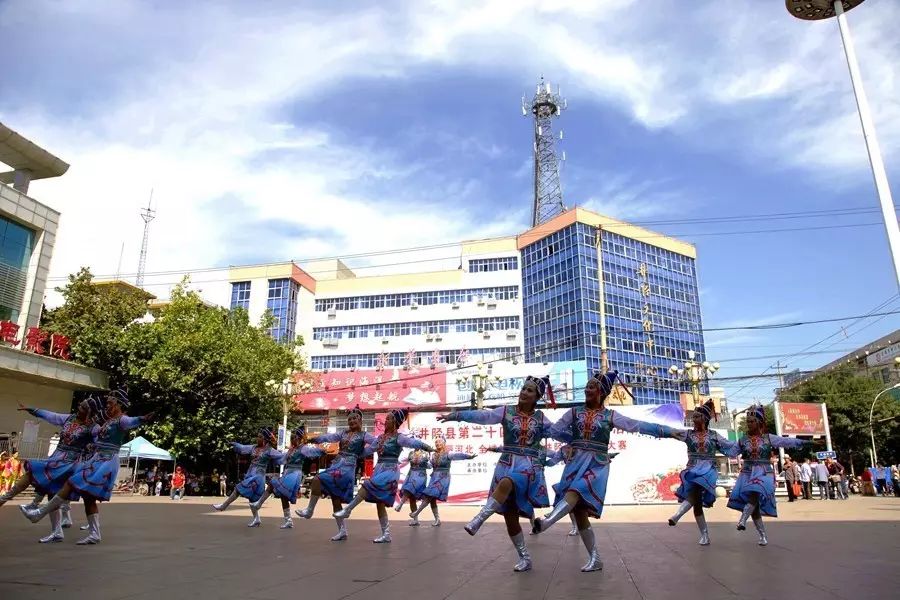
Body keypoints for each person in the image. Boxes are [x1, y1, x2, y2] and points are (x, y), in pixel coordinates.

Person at [532, 371, 685, 572]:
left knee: (575, 492)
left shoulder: (610, 416)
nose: (587, 389)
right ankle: (596, 559)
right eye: (587, 386)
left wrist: (667, 431)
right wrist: (569, 442)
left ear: (602, 392)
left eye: (592, 387)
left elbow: (637, 425)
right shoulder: (574, 412)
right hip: (575, 462)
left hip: (597, 463)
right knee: (579, 513)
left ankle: (547, 522)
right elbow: (553, 431)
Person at [438, 375, 557, 572]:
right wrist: (456, 416)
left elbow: (560, 432)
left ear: (537, 397)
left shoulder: (541, 419)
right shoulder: (506, 412)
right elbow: (483, 416)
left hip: (528, 467)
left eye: (529, 390)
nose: (524, 392)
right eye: (523, 388)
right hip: (506, 463)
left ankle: (479, 518)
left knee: (508, 482)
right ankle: (525, 558)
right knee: (510, 518)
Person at [21, 389, 154, 545]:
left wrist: (143, 419)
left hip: (106, 461)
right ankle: (94, 533)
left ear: (119, 405)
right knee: (88, 499)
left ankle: (39, 513)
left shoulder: (121, 420)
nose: (108, 406)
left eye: (111, 403)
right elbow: (57, 418)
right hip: (97, 459)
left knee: (71, 483)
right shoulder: (108, 420)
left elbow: (133, 421)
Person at [1, 397, 105, 543]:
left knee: (33, 472)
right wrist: (32, 410)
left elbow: (102, 443)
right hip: (56, 458)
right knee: (51, 493)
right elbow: (51, 416)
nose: (78, 409)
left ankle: (3, 499)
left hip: (70, 464)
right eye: (80, 405)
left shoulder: (93, 428)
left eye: (82, 408)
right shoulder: (70, 418)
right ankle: (57, 532)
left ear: (89, 412)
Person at [334, 409, 434, 543]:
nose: (385, 421)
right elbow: (368, 450)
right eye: (386, 418)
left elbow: (413, 443)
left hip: (390, 470)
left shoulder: (399, 437)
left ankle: (348, 509)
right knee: (379, 503)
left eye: (389, 419)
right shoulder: (380, 438)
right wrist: (351, 453)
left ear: (395, 422)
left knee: (368, 485)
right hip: (379, 469)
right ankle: (386, 534)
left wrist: (428, 447)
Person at [726, 404, 811, 546]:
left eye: (752, 421)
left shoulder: (768, 438)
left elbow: (786, 441)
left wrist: (806, 442)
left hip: (763, 471)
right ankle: (763, 536)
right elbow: (731, 451)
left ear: (759, 422)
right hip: (747, 473)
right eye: (748, 421)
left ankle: (742, 520)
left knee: (754, 493)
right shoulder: (742, 440)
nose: (749, 424)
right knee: (755, 508)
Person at [294, 406, 378, 541]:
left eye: (355, 419)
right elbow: (329, 437)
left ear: (360, 421)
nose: (351, 421)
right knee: (335, 498)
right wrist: (314, 439)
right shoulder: (343, 433)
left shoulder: (364, 435)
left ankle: (309, 510)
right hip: (336, 464)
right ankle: (342, 531)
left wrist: (361, 454)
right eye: (349, 419)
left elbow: (376, 444)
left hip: (347, 468)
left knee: (317, 479)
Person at [664, 399, 736, 545]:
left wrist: (744, 446)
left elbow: (730, 446)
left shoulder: (714, 435)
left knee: (695, 491)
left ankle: (677, 515)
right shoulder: (688, 435)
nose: (693, 419)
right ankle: (705, 535)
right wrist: (651, 429)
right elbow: (668, 432)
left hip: (708, 470)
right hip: (692, 469)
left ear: (704, 419)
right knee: (696, 504)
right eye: (693, 416)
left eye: (696, 416)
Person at [248, 424, 323, 529]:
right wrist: (271, 456)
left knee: (274, 484)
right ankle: (288, 521)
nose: (293, 439)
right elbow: (282, 459)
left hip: (295, 473)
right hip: (287, 473)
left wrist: (322, 451)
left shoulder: (303, 448)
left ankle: (259, 504)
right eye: (292, 438)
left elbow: (313, 452)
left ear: (300, 438)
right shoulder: (291, 449)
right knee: (282, 496)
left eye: (295, 437)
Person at [212, 428, 283, 526]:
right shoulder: (254, 447)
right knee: (252, 499)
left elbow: (282, 456)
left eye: (260, 437)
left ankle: (223, 506)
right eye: (257, 436)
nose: (257, 439)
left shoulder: (270, 450)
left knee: (239, 488)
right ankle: (256, 519)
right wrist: (235, 444)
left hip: (258, 476)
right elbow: (242, 448)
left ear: (265, 439)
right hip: (250, 473)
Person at [408, 436, 476, 527]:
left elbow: (458, 455)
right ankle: (437, 519)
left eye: (439, 442)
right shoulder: (434, 455)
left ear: (444, 443)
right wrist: (423, 461)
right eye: (436, 442)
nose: (437, 444)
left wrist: (468, 456)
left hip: (443, 478)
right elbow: (429, 466)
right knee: (432, 500)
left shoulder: (448, 454)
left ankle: (416, 512)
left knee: (430, 495)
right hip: (434, 477)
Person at [393, 447, 430, 525]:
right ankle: (415, 519)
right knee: (412, 498)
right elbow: (401, 460)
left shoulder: (426, 453)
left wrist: (427, 464)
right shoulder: (411, 453)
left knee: (410, 488)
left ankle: (400, 504)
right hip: (411, 474)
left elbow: (429, 465)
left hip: (420, 475)